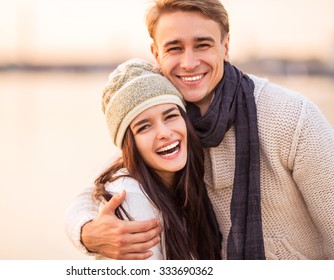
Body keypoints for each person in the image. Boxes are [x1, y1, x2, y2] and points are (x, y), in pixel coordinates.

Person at [66, 0, 334, 260]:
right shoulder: (165, 114)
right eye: (174, 48)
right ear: (156, 54)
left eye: (202, 45)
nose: (189, 63)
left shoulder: (291, 116)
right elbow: (97, 190)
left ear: (225, 46)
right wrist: (87, 233)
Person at [79, 58, 221, 259]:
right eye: (144, 127)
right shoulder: (131, 199)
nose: (164, 133)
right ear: (130, 144)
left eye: (170, 116)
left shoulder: (184, 182)